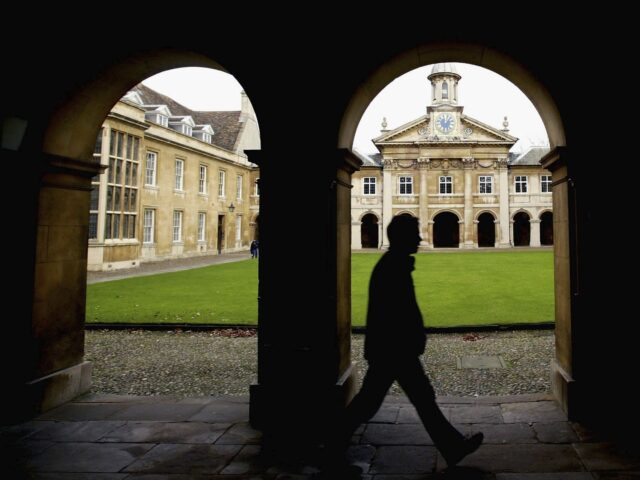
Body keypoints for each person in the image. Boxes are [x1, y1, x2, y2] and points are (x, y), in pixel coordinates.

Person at [330, 215, 483, 471]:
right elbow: (396, 312)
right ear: (402, 238)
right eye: (414, 234)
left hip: (392, 348)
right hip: (394, 350)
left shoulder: (394, 263)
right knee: (375, 402)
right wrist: (412, 337)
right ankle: (331, 447)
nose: (420, 238)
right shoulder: (393, 267)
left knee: (414, 398)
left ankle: (453, 446)